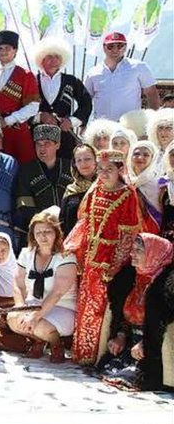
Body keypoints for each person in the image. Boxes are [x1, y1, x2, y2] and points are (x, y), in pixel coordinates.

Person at [66, 149, 152, 365]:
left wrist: (113, 266)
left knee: (104, 310)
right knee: (86, 305)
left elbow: (128, 236)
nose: (104, 174)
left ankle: (98, 356)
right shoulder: (95, 190)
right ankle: (82, 354)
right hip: (90, 260)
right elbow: (85, 225)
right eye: (101, 169)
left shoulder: (127, 195)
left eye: (109, 169)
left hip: (111, 262)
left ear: (119, 170)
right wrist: (77, 250)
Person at [95, 233, 173, 392]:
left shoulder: (168, 285)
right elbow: (125, 315)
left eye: (138, 250)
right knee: (108, 369)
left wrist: (146, 344)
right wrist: (121, 336)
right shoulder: (131, 278)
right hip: (132, 346)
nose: (132, 254)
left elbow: (164, 324)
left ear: (153, 254)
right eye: (132, 249)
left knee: (133, 377)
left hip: (154, 350)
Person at [6, 210, 79, 363]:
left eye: (47, 232)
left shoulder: (66, 256)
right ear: (33, 235)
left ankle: (56, 344)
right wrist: (20, 308)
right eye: (38, 232)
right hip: (35, 303)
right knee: (13, 319)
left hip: (62, 307)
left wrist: (35, 316)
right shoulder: (26, 254)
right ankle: (38, 340)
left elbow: (57, 292)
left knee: (39, 325)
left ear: (56, 233)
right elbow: (18, 284)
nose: (43, 236)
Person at [0, 30, 39, 164]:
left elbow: (33, 106)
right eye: (0, 48)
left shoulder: (25, 75)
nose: (3, 51)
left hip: (18, 132)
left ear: (15, 51)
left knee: (24, 168)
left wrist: (7, 120)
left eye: (7, 48)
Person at [32, 38, 92, 159]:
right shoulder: (32, 81)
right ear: (41, 59)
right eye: (49, 56)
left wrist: (71, 121)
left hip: (65, 137)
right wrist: (40, 116)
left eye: (57, 57)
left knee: (66, 166)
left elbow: (86, 103)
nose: (54, 60)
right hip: (38, 139)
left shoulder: (71, 81)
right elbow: (22, 107)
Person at [14, 124, 72, 245]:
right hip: (39, 233)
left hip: (68, 230)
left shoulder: (70, 167)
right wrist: (44, 223)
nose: (42, 148)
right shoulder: (26, 171)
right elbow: (24, 204)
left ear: (57, 145)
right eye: (38, 144)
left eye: (47, 144)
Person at [84, 31, 160, 122]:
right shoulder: (93, 72)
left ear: (125, 47)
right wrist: (83, 122)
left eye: (120, 45)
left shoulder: (139, 67)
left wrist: (155, 119)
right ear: (104, 47)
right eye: (110, 46)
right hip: (103, 125)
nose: (115, 49)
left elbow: (151, 93)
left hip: (131, 124)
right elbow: (86, 100)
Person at [60, 142, 97, 235]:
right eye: (79, 160)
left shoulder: (106, 187)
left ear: (96, 160)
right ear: (74, 164)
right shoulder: (71, 190)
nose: (83, 163)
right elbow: (63, 222)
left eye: (87, 159)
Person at [127, 140, 164, 229]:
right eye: (136, 154)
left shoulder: (159, 183)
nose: (140, 158)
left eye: (146, 155)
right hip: (128, 230)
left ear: (152, 158)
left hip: (153, 230)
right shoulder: (124, 180)